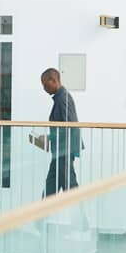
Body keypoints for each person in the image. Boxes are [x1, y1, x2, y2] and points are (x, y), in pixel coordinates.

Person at [39, 68, 82, 197]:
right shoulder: (60, 98)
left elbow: (70, 126)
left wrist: (49, 137)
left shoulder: (63, 98)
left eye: (45, 84)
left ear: (54, 80)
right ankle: (39, 216)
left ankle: (80, 217)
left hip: (65, 150)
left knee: (70, 186)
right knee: (51, 185)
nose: (44, 88)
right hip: (60, 150)